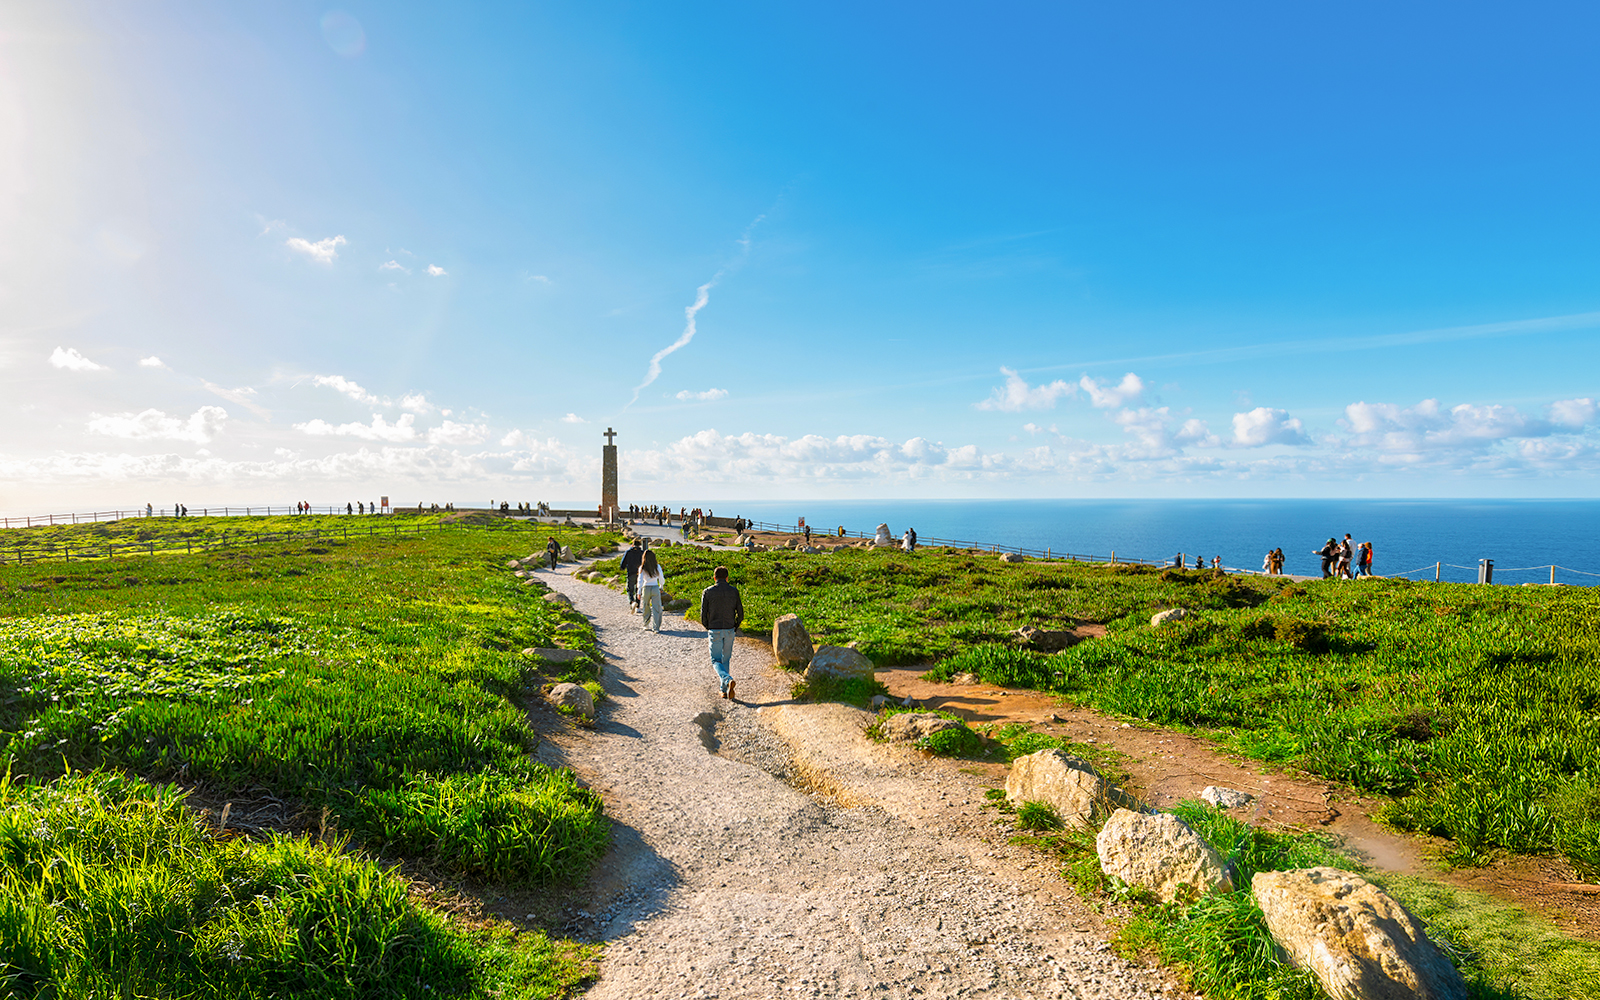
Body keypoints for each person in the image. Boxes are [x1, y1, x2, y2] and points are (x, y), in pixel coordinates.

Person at [699, 566, 744, 700]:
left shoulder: (707, 592)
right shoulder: (734, 591)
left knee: (715, 660)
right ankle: (724, 689)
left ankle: (727, 680)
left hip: (715, 629)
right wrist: (735, 626)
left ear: (714, 578)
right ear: (727, 578)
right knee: (726, 659)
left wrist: (708, 627)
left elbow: (703, 614)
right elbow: (740, 614)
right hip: (730, 629)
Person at [638, 549, 665, 632]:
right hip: (655, 587)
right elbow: (661, 578)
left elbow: (640, 580)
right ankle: (656, 627)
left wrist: (638, 592)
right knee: (657, 608)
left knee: (646, 606)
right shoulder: (657, 566)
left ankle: (646, 624)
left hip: (646, 588)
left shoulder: (642, 567)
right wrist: (661, 586)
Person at [620, 540, 645, 611]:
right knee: (638, 590)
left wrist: (622, 568)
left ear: (632, 545)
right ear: (640, 545)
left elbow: (622, 564)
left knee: (630, 589)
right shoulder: (642, 553)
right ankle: (637, 607)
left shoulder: (628, 552)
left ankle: (632, 602)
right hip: (640, 574)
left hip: (631, 573)